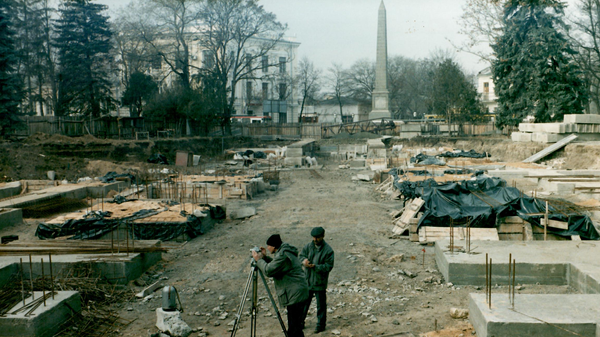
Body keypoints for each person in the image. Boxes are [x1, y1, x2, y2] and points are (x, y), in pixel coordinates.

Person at [253, 234, 309, 337]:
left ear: (274, 246)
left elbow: (268, 270)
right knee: (294, 328)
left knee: (294, 330)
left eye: (268, 246)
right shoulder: (285, 252)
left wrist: (258, 260)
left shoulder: (283, 255)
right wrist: (265, 257)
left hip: (295, 294)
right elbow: (277, 265)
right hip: (297, 292)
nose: (267, 248)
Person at [299, 227, 335, 334]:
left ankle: (321, 325)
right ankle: (301, 322)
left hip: (319, 282)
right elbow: (301, 256)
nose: (315, 239)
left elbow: (328, 266)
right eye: (314, 237)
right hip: (308, 281)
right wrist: (304, 261)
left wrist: (316, 267)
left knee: (321, 305)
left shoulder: (328, 250)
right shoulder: (308, 246)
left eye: (317, 238)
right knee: (304, 304)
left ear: (323, 236)